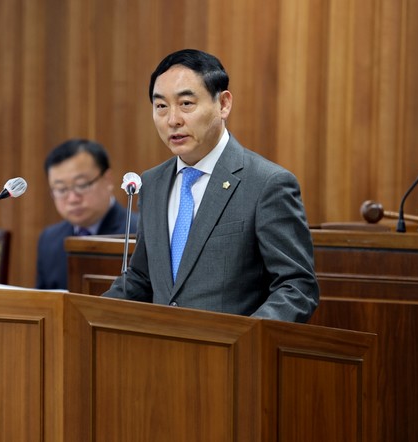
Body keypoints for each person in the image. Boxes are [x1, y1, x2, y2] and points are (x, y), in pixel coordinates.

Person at [102, 49, 319, 322]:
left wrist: (244, 338)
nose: (173, 120)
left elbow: (297, 286)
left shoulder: (266, 183)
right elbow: (142, 278)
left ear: (223, 104)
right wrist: (89, 315)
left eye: (186, 104)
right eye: (161, 106)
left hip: (231, 346)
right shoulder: (152, 183)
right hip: (161, 344)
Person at [37, 139, 138, 290]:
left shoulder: (140, 232)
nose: (72, 199)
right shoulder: (49, 239)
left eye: (82, 185)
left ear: (108, 179)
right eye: (61, 189)